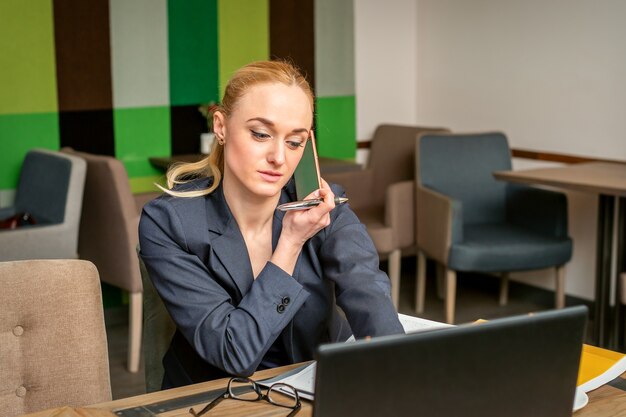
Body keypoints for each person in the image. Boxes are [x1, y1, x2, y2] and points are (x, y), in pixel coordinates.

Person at [139, 60, 404, 389]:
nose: (279, 157)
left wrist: (399, 369)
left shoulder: (324, 204)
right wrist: (290, 243)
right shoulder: (170, 223)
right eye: (261, 134)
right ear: (220, 126)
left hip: (313, 385)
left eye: (295, 142)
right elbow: (234, 353)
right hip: (217, 397)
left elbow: (367, 289)